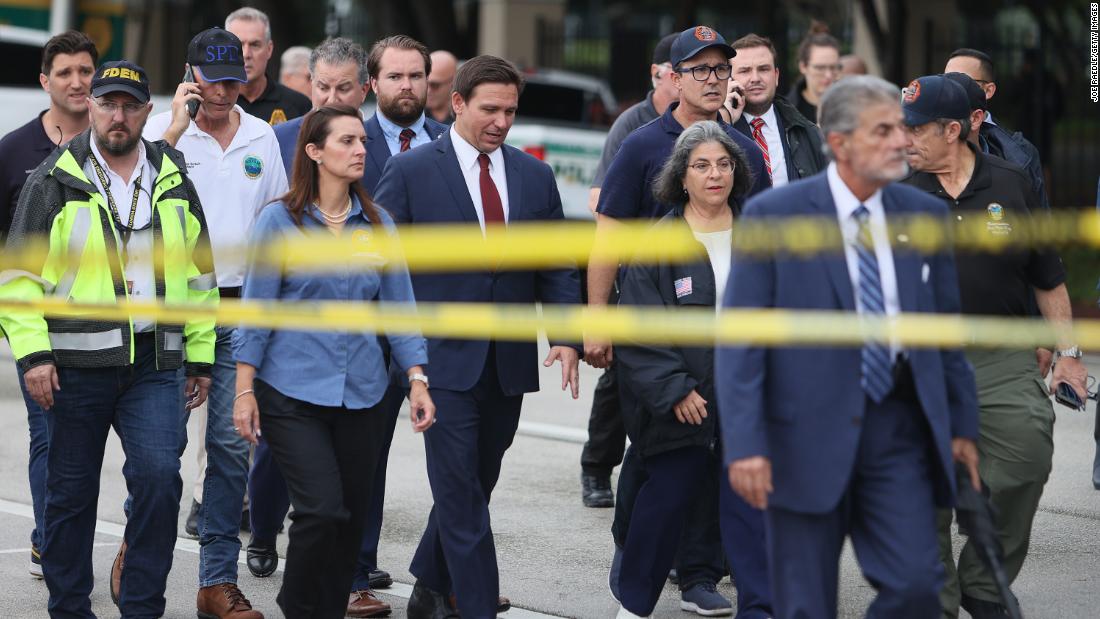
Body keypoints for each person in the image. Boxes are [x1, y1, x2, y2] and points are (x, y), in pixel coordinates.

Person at [719, 75, 982, 618]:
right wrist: (745, 443)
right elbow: (741, 341)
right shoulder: (776, 215)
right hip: (801, 439)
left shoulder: (923, 215)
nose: (901, 141)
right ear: (839, 144)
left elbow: (945, 336)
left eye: (903, 128)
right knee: (804, 606)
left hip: (897, 435)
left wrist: (961, 429)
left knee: (917, 588)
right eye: (883, 130)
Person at [0, 59, 217, 618]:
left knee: (159, 483)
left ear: (149, 111)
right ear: (91, 107)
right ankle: (70, 608)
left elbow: (199, 274)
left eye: (130, 105)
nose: (118, 115)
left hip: (153, 364)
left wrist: (199, 354)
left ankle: (142, 606)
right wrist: (33, 355)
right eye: (108, 103)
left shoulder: (171, 174)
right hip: (71, 368)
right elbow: (18, 281)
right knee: (70, 499)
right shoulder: (53, 179)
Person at [372, 54, 582, 619]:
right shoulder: (414, 171)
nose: (501, 122)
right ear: (458, 103)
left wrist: (564, 334)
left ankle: (429, 584)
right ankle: (478, 606)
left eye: (511, 111)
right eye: (490, 109)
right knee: (461, 491)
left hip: (507, 363)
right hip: (438, 363)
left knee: (477, 481)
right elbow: (386, 267)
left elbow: (557, 262)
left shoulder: (534, 175)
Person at [586, 25, 772, 618]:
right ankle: (633, 574)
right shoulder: (643, 144)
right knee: (653, 472)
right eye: (701, 69)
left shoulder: (747, 158)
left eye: (723, 68)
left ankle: (699, 577)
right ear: (674, 75)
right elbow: (609, 244)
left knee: (724, 482)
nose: (715, 78)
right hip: (658, 358)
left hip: (734, 376)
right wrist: (596, 323)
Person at [263, 34, 447, 617]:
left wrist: (417, 377)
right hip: (292, 384)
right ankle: (292, 590)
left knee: (348, 510)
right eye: (348, 140)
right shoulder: (282, 216)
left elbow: (399, 303)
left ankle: (340, 593)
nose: (361, 149)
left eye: (362, 140)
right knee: (318, 507)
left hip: (366, 382)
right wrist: (242, 385)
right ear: (316, 150)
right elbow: (257, 307)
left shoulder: (378, 222)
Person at [900, 74, 1086, 618]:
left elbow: (1047, 276)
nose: (903, 138)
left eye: (916, 129)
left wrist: (1070, 355)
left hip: (1001, 353)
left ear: (953, 130)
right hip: (919, 358)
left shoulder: (1011, 183)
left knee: (1027, 459)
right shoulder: (894, 192)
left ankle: (984, 579)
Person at [145, 26, 287, 619]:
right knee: (158, 448)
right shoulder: (160, 131)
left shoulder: (262, 136)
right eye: (213, 79)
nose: (225, 91)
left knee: (231, 450)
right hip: (174, 309)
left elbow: (277, 222)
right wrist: (174, 131)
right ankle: (138, 550)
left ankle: (216, 582)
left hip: (239, 309)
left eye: (235, 79)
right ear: (190, 76)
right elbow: (134, 207)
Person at [614, 121, 754, 618]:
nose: (714, 175)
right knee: (668, 494)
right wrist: (675, 390)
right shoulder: (659, 240)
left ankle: (704, 580)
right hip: (681, 395)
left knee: (735, 495)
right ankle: (632, 598)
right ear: (682, 177)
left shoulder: (759, 233)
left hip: (744, 391)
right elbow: (638, 328)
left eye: (723, 164)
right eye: (701, 166)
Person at [0, 29, 97, 579]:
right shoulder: (13, 151)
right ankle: (50, 541)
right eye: (65, 73)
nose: (77, 81)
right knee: (49, 437)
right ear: (45, 81)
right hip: (38, 325)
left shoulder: (118, 143)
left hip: (110, 326)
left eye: (86, 71)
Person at [578, 31, 678, 510]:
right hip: (633, 276)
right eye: (673, 75)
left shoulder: (719, 125)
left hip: (685, 283)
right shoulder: (634, 128)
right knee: (618, 376)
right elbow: (602, 201)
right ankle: (597, 466)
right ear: (658, 76)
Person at [944, 48, 1049, 210]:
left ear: (988, 90)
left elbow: (1039, 224)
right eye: (945, 81)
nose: (950, 89)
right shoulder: (925, 141)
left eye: (961, 81)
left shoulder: (1022, 152)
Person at [727, 33, 827, 187]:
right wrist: (725, 123)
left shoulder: (807, 133)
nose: (755, 78)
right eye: (745, 71)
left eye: (763, 69)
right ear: (730, 80)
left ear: (776, 76)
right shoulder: (720, 130)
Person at [226, 7, 311, 125]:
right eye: (238, 45)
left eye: (255, 45)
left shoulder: (299, 105)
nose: (246, 54)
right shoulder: (214, 104)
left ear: (269, 49)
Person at [787, 24, 840, 123]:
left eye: (833, 67)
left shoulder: (850, 107)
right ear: (803, 67)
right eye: (820, 68)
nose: (828, 75)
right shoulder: (785, 112)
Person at [426, 50, 458, 124]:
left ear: (453, 82)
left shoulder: (465, 115)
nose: (428, 90)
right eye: (424, 83)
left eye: (434, 85)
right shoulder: (413, 114)